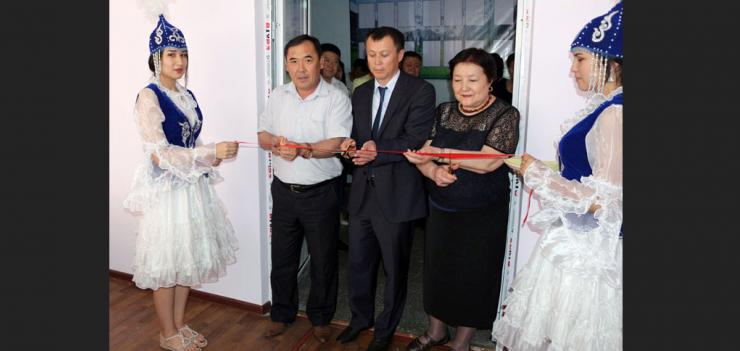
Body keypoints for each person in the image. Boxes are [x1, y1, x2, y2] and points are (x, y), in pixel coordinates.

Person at [492, 2, 623, 350]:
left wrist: (534, 172)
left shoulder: (615, 113)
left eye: (579, 59)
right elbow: (592, 173)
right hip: (579, 240)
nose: (572, 69)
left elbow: (605, 204)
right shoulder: (605, 106)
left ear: (607, 62)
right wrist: (550, 169)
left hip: (589, 251)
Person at [123, 14, 240, 351]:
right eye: (172, 54)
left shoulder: (185, 94)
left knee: (185, 260)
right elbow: (159, 153)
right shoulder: (149, 97)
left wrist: (213, 153)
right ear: (157, 58)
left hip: (191, 187)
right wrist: (207, 153)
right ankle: (165, 332)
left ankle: (178, 324)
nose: (179, 61)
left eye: (183, 54)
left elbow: (189, 145)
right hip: (167, 192)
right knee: (167, 262)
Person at [402, 48, 520, 351]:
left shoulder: (505, 114)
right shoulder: (443, 111)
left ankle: (462, 342)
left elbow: (488, 162)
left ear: (490, 80)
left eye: (472, 80)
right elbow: (426, 152)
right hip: (441, 209)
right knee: (438, 271)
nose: (464, 88)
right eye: (457, 80)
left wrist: (442, 154)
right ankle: (436, 331)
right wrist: (430, 171)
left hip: (482, 214)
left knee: (474, 276)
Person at [336, 26, 436, 351]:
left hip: (397, 194)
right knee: (359, 263)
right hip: (363, 192)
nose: (377, 62)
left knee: (395, 268)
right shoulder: (361, 92)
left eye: (384, 55)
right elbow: (356, 134)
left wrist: (374, 150)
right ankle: (359, 318)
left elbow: (414, 140)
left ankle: (385, 328)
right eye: (371, 55)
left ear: (400, 55)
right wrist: (350, 147)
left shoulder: (420, 91)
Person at [257, 34, 353, 344]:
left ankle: (322, 317)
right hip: (284, 191)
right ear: (286, 65)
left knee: (323, 259)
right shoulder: (278, 96)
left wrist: (302, 148)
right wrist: (276, 143)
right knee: (282, 258)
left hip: (321, 193)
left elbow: (338, 143)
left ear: (319, 62)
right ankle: (281, 313)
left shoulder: (336, 96)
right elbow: (262, 134)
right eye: (294, 61)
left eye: (308, 60)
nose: (301, 68)